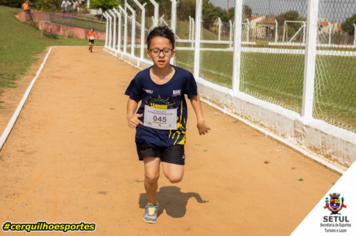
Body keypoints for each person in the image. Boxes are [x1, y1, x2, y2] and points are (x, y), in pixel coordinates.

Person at [125, 26, 210, 224]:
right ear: (148, 52)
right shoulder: (142, 77)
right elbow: (132, 98)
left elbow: (194, 96)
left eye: (166, 50)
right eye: (156, 50)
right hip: (147, 132)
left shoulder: (184, 77)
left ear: (173, 52)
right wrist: (130, 115)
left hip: (174, 134)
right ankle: (152, 204)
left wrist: (200, 119)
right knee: (151, 175)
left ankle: (166, 157)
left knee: (174, 177)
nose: (161, 55)